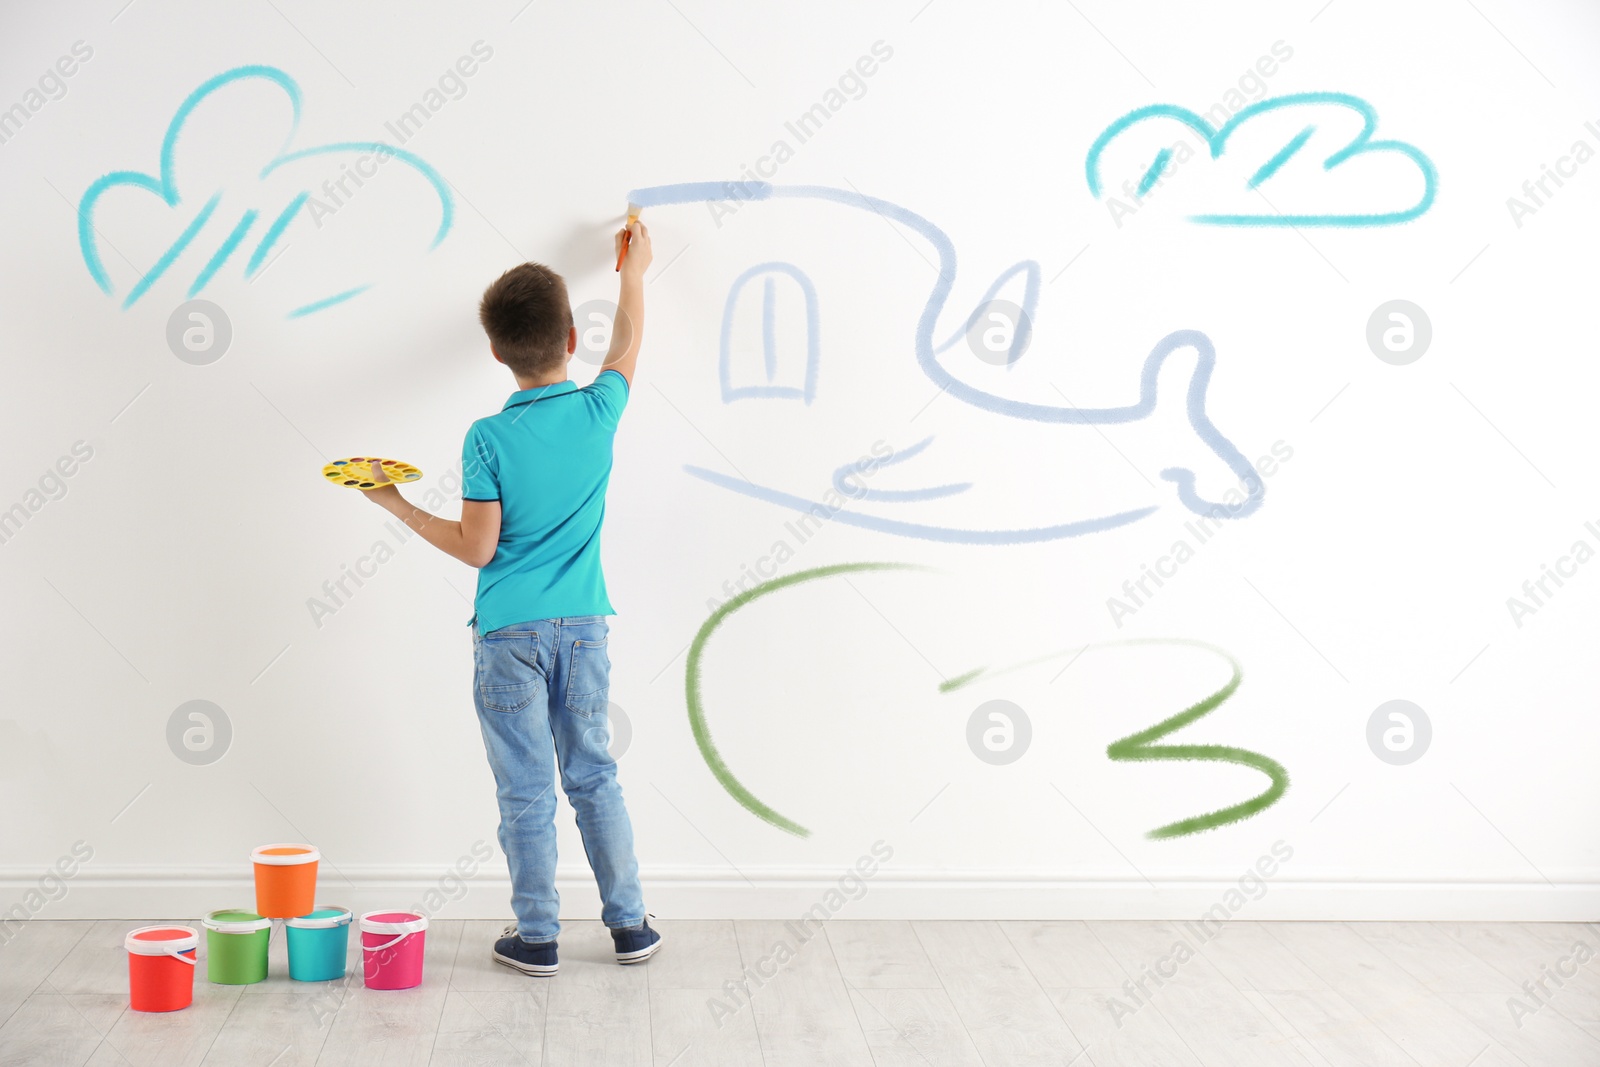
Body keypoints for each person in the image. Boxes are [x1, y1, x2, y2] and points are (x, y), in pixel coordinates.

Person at [356, 220, 659, 976]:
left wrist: (395, 502)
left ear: (495, 352)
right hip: (586, 630)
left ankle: (539, 936)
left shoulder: (487, 437)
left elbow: (478, 548)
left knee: (525, 785)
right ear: (569, 335)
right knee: (594, 773)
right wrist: (633, 270)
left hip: (508, 636)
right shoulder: (601, 410)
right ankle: (629, 926)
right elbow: (628, 342)